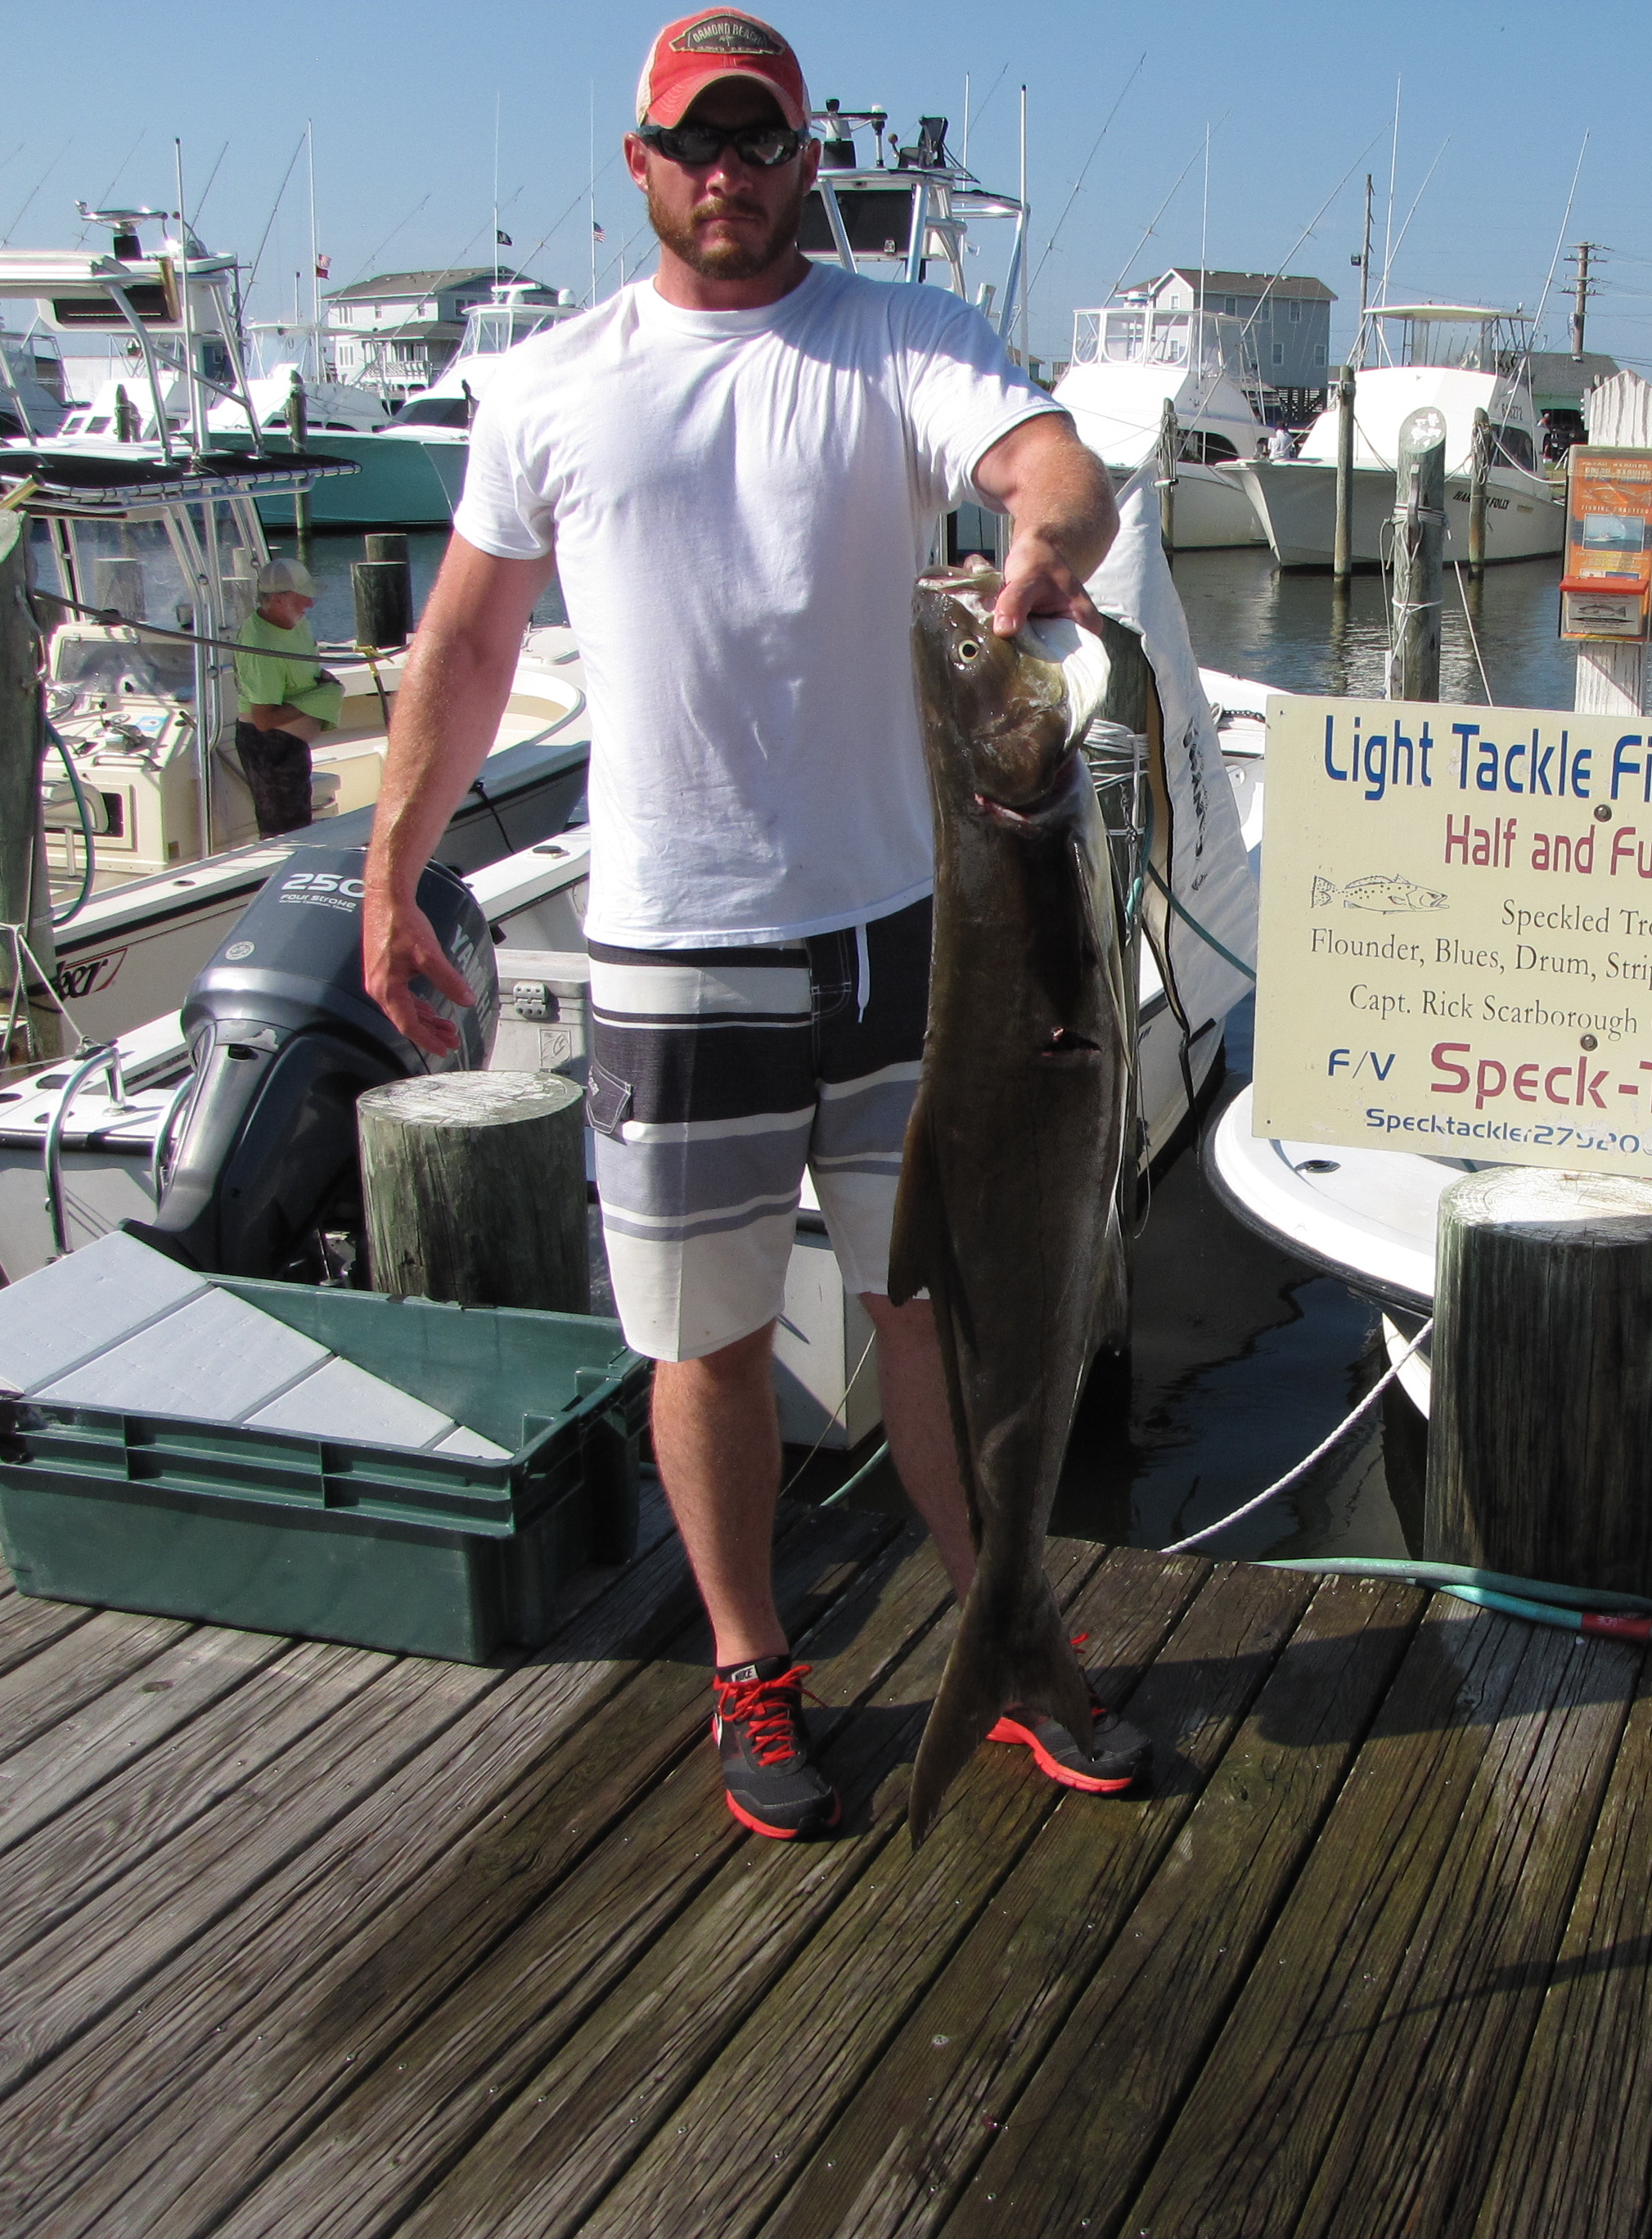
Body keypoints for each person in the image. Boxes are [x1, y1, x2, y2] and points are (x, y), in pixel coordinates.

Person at [357, 8, 1139, 1840]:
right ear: (637, 165)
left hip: (904, 934)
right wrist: (394, 867)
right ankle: (747, 1655)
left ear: (807, 157)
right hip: (668, 941)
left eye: (761, 140)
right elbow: (466, 647)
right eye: (695, 143)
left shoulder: (898, 340)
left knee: (931, 1306)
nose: (731, 172)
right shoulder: (549, 386)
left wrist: (1055, 534)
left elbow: (1052, 466)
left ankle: (1005, 1633)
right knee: (702, 1336)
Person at [233, 556, 344, 835]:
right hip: (270, 748)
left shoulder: (296, 622)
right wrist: (316, 700)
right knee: (286, 833)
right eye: (303, 597)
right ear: (280, 600)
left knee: (301, 823)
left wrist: (322, 683)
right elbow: (263, 719)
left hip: (294, 746)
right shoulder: (262, 646)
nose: (311, 604)